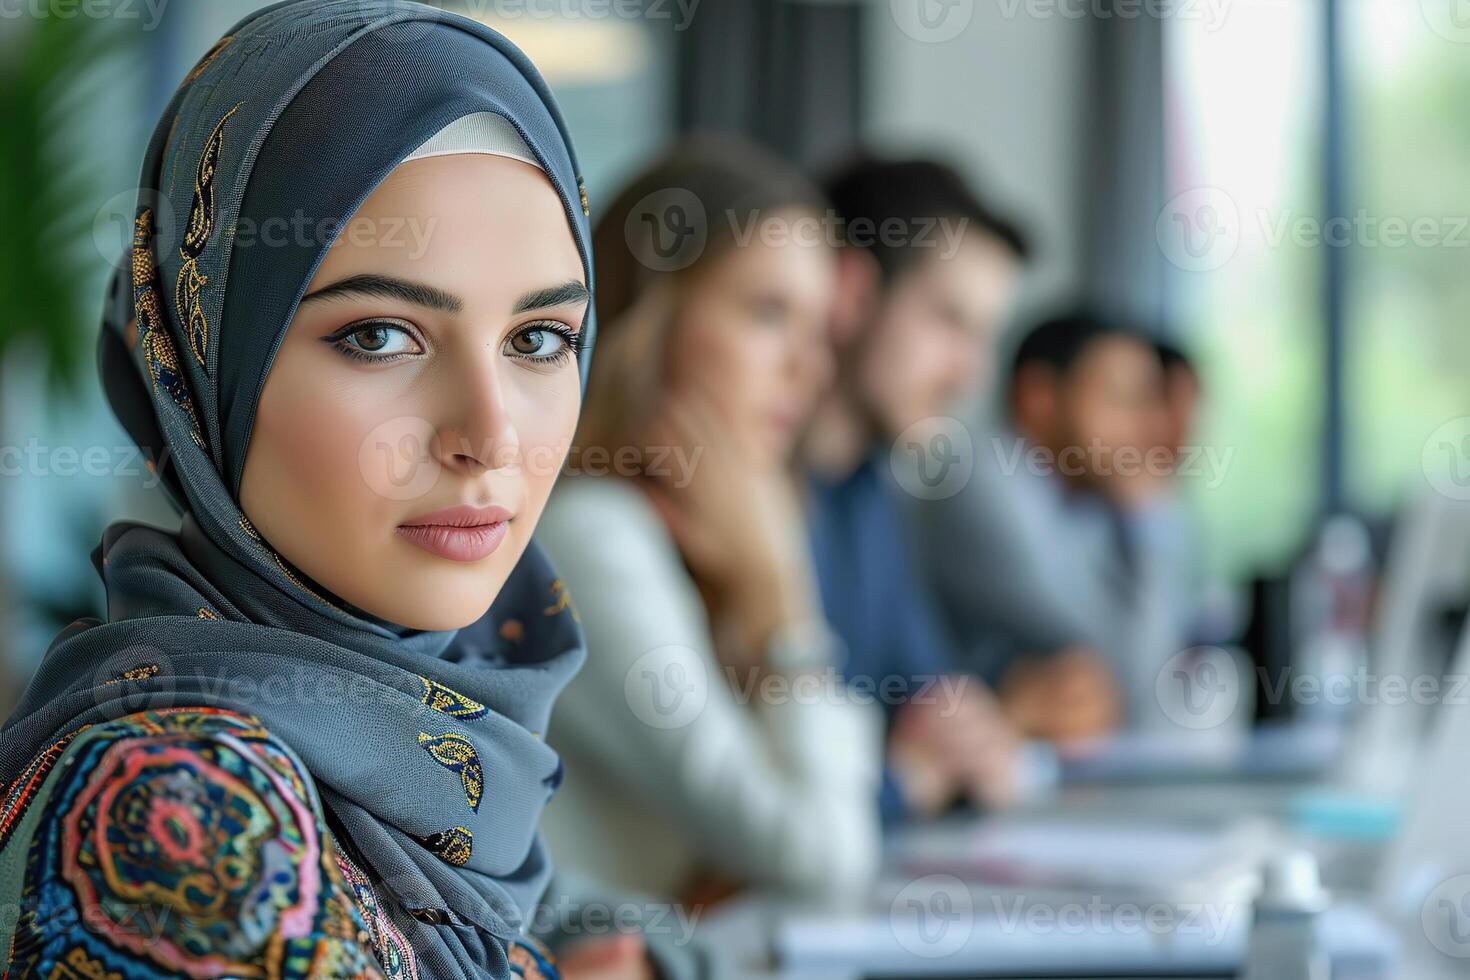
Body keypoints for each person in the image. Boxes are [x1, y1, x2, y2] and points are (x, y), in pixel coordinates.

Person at [0, 4, 640, 978]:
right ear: (205, 371)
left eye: (538, 338)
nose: (491, 433)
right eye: (380, 334)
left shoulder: (451, 748)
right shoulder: (181, 808)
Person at [534, 137, 883, 909]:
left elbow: (802, 839)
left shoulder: (705, 528)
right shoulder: (594, 534)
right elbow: (826, 854)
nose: (810, 368)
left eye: (819, 330)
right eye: (768, 313)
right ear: (649, 321)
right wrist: (780, 600)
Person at [802, 156, 1032, 821]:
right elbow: (761, 809)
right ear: (852, 295)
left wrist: (975, 739)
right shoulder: (745, 496)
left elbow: (935, 709)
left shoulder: (871, 492)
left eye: (985, 336)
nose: (971, 373)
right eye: (950, 321)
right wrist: (899, 785)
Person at [914, 311, 1188, 733]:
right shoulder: (977, 482)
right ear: (1039, 398)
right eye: (1124, 399)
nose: (1151, 426)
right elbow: (1133, 683)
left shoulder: (1076, 503)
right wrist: (1145, 514)